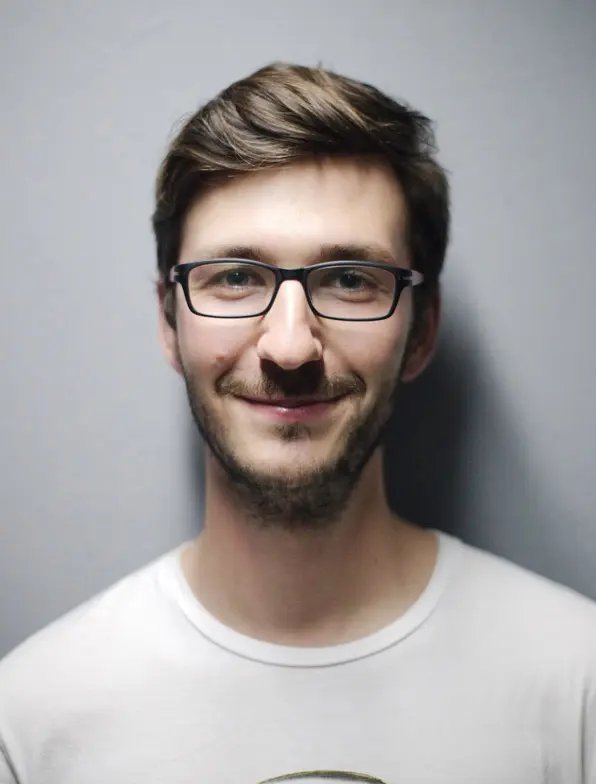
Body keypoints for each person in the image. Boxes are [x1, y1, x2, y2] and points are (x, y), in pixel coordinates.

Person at [0, 62, 594, 784]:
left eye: (349, 279)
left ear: (422, 331)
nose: (289, 347)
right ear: (169, 321)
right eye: (235, 277)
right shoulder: (31, 725)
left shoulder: (578, 687)